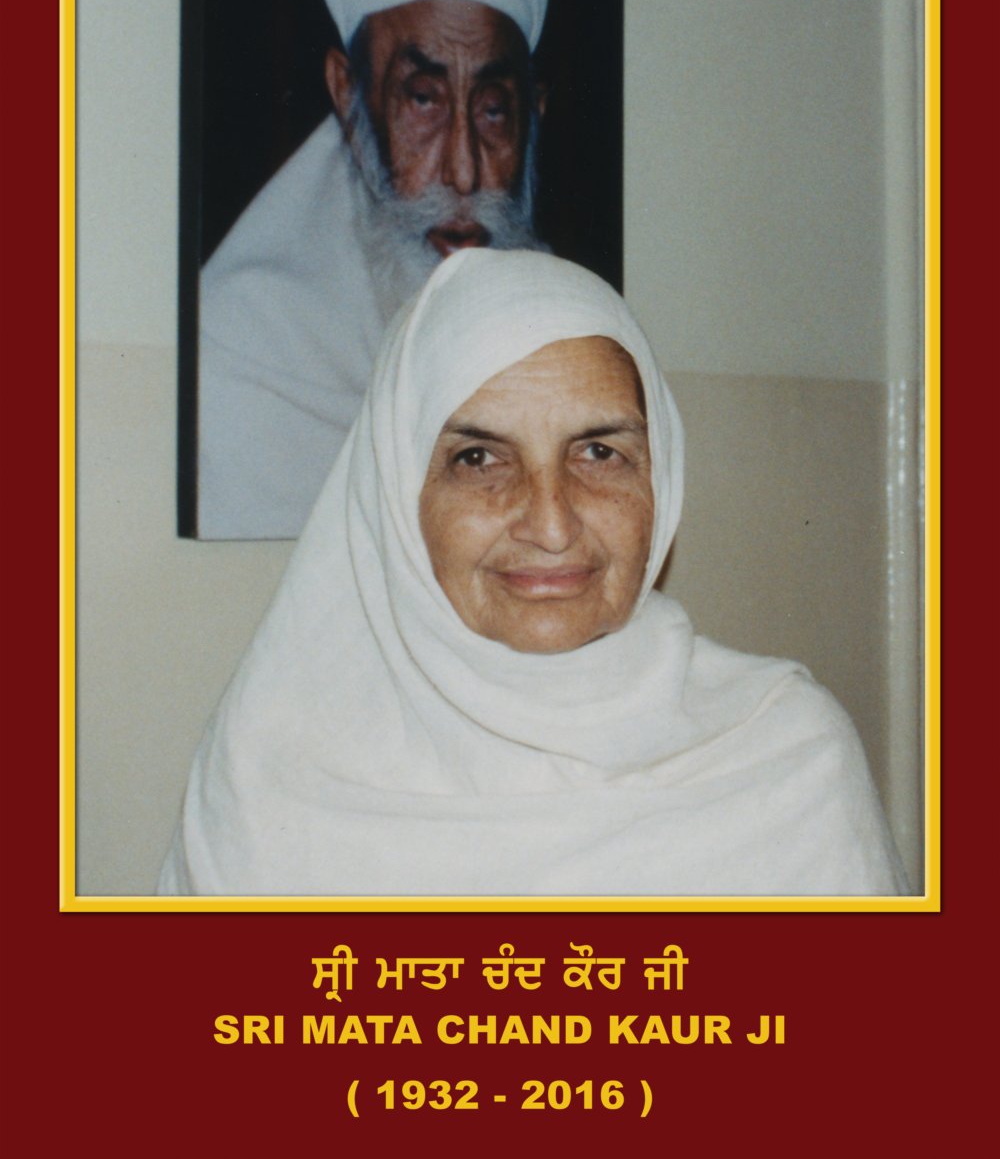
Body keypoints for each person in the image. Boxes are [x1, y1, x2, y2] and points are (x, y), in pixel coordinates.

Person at [161, 249, 907, 898]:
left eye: (599, 452)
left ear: (661, 476)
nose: (551, 524)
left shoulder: (783, 757)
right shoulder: (272, 781)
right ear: (396, 495)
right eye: (478, 458)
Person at [197, 0, 550, 539]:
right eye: (422, 100)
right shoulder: (247, 340)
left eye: (492, 110)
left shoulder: (555, 325)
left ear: (533, 117)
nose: (464, 172)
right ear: (347, 97)